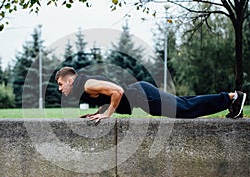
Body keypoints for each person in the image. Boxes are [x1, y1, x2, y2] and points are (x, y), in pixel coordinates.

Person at [55, 67, 246, 123]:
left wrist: (107, 114)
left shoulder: (87, 84)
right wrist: (99, 110)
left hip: (144, 96)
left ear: (70, 80)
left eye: (60, 84)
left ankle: (231, 97)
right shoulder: (86, 85)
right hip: (143, 94)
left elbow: (118, 91)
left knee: (186, 109)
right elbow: (111, 93)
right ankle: (231, 99)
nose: (60, 89)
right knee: (185, 103)